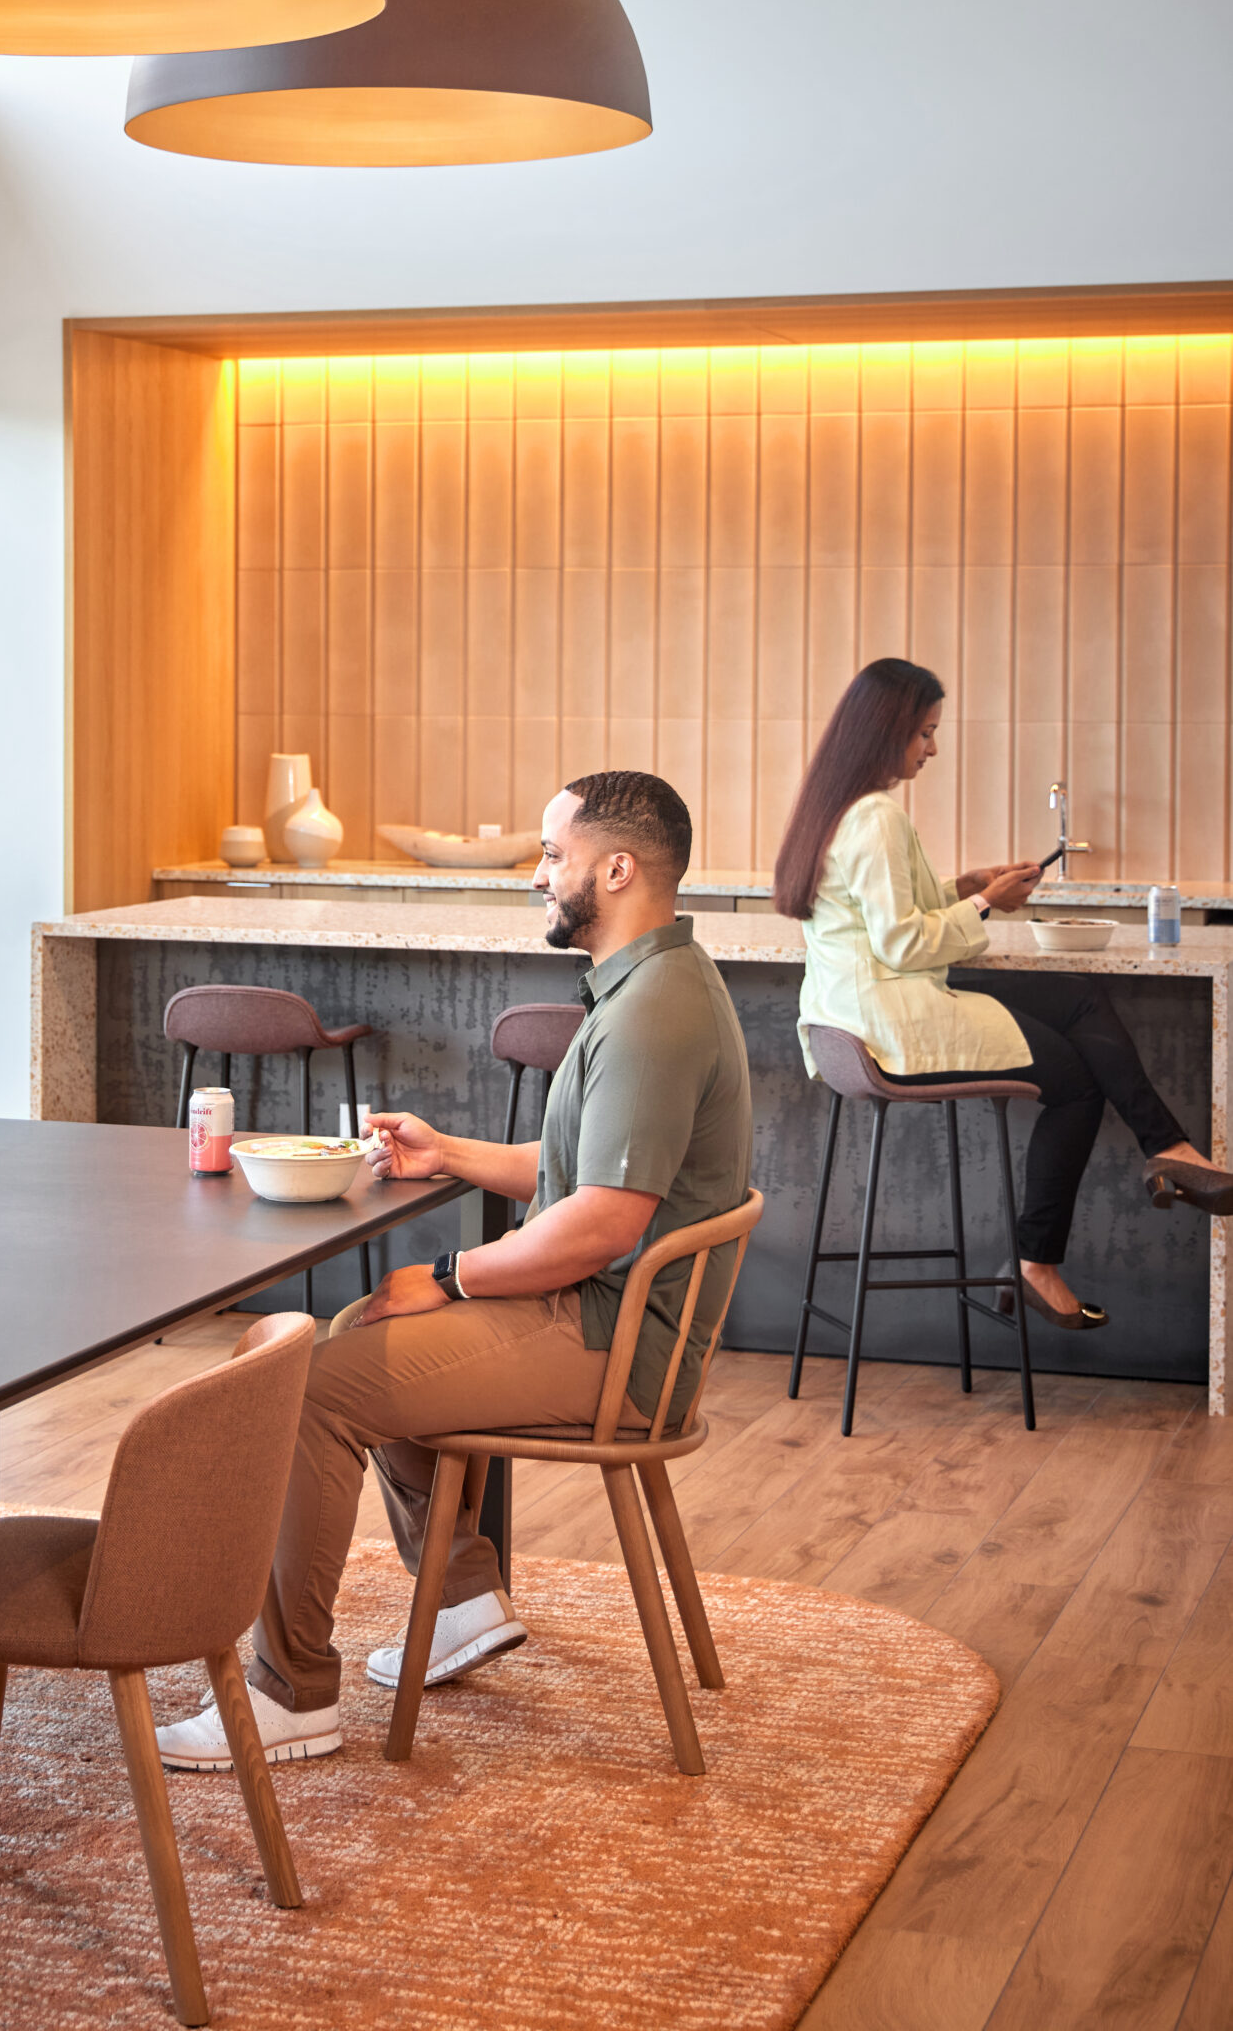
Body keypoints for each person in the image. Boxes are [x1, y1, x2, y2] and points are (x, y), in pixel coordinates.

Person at [153, 769, 753, 1771]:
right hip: (605, 1318)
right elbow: (581, 1174)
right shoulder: (656, 985)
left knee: (309, 1388)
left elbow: (601, 1224)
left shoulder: (653, 1015)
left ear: (616, 869)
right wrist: (452, 1153)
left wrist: (447, 1274)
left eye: (552, 855)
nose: (538, 876)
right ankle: (465, 1597)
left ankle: (288, 1696)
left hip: (609, 1344)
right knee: (362, 1329)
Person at [774, 658, 1233, 1332]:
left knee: (1077, 997)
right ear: (888, 729)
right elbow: (901, 942)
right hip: (893, 1024)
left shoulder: (835, 807)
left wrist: (966, 888)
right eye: (925, 732)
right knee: (1076, 1085)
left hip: (852, 1017)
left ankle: (1170, 1151)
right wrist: (987, 902)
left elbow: (885, 915)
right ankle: (1037, 1262)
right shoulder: (876, 817)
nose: (932, 748)